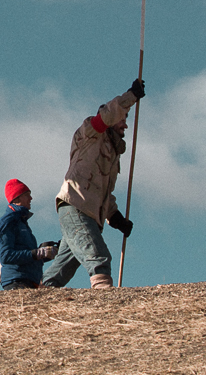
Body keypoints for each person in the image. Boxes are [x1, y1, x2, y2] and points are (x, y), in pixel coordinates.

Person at [41, 79, 143, 289]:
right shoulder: (90, 133)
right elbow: (107, 115)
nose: (125, 124)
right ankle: (103, 292)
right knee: (98, 257)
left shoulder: (114, 153)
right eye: (122, 119)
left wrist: (115, 218)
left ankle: (40, 295)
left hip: (90, 214)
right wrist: (130, 97)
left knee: (62, 269)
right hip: (75, 206)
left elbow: (105, 192)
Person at [0, 179, 57, 290]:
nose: (30, 198)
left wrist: (44, 254)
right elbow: (6, 256)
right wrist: (37, 253)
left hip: (29, 281)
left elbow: (26, 255)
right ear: (16, 198)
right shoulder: (7, 223)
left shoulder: (21, 222)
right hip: (17, 282)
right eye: (27, 195)